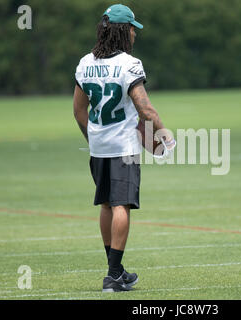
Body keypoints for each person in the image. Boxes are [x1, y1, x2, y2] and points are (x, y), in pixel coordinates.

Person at [73, 4, 175, 292]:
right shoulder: (130, 64)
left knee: (106, 204)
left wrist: (93, 138)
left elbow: (79, 111)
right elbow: (146, 109)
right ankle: (114, 275)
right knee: (121, 205)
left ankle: (115, 270)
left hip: (99, 146)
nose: (134, 33)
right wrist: (165, 136)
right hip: (124, 147)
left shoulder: (84, 63)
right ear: (122, 31)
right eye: (132, 28)